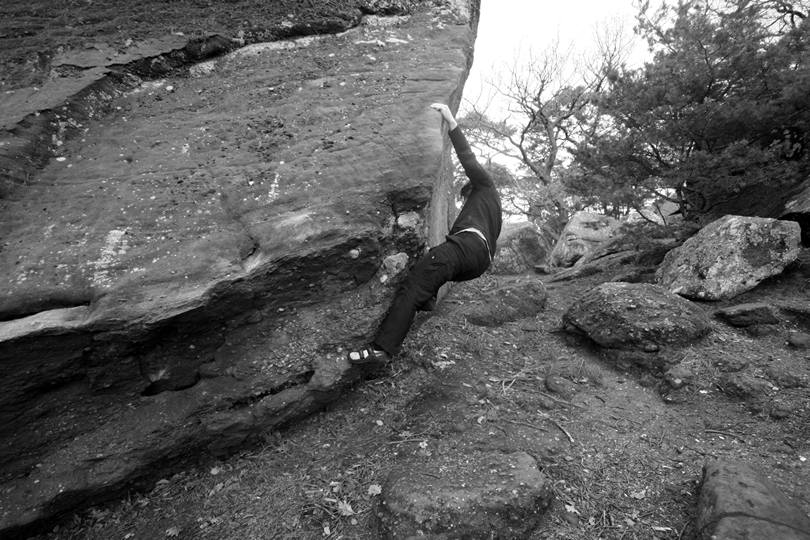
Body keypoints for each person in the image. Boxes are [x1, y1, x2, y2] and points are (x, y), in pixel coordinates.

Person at [348, 102, 502, 365]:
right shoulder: (494, 212)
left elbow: (469, 160)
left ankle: (381, 349)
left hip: (469, 247)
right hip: (478, 261)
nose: (465, 201)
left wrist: (451, 123)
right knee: (435, 262)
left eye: (466, 196)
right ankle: (428, 297)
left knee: (415, 285)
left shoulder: (485, 186)